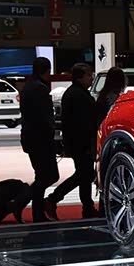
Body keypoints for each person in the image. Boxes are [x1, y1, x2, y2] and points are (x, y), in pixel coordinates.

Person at [45, 63, 99, 219]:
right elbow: (82, 122)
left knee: (84, 175)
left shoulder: (75, 93)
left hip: (78, 142)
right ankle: (54, 199)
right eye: (88, 75)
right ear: (79, 77)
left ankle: (86, 207)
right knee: (84, 174)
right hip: (81, 142)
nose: (91, 78)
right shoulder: (78, 95)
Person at [9, 57, 59, 223]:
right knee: (49, 175)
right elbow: (45, 117)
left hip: (30, 137)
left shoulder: (28, 87)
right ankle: (21, 202)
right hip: (41, 139)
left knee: (42, 175)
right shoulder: (40, 89)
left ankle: (36, 212)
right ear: (47, 70)